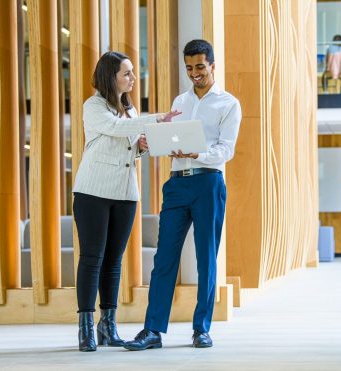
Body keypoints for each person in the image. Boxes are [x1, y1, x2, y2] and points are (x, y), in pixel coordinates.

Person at [124, 39, 242, 351]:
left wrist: (197, 152)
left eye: (200, 67)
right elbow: (170, 138)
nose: (195, 73)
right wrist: (160, 144)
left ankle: (201, 329)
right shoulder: (180, 100)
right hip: (176, 184)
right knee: (164, 258)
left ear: (213, 66)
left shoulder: (228, 103)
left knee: (206, 259)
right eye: (189, 68)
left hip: (208, 184)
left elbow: (225, 151)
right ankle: (152, 331)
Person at [72, 51, 178, 352]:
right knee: (92, 258)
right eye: (127, 73)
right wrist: (157, 118)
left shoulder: (131, 112)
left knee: (114, 262)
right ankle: (85, 328)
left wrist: (142, 147)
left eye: (132, 72)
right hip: (93, 191)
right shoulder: (93, 106)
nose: (133, 77)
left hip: (126, 194)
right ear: (111, 76)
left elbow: (129, 147)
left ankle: (108, 324)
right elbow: (116, 129)